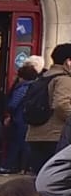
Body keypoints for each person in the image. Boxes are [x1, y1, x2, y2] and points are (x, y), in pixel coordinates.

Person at [24, 44, 71, 176]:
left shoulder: (43, 77)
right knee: (55, 178)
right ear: (68, 61)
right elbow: (62, 105)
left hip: (35, 134)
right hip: (56, 136)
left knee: (40, 177)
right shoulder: (64, 79)